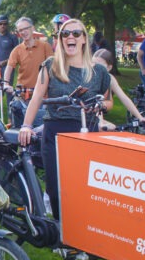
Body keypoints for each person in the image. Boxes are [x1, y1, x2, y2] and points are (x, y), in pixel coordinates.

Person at [17, 18, 112, 219]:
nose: (70, 37)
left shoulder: (99, 71)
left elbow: (109, 102)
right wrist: (26, 125)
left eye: (76, 34)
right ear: (60, 40)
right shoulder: (51, 65)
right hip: (55, 132)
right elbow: (36, 99)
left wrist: (99, 105)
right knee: (56, 185)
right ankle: (62, 231)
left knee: (84, 186)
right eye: (65, 34)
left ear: (84, 39)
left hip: (87, 133)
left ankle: (82, 230)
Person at [5, 16, 54, 127]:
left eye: (25, 28)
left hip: (43, 96)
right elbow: (9, 67)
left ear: (32, 28)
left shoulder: (45, 46)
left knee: (40, 127)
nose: (23, 32)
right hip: (23, 95)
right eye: (20, 30)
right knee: (19, 126)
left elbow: (53, 67)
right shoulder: (17, 50)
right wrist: (5, 83)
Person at [92, 49, 145, 129]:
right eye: (93, 64)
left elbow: (124, 98)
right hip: (83, 117)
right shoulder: (88, 76)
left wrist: (140, 117)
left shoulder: (109, 78)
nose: (96, 68)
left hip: (95, 118)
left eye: (100, 66)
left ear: (109, 68)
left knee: (113, 130)